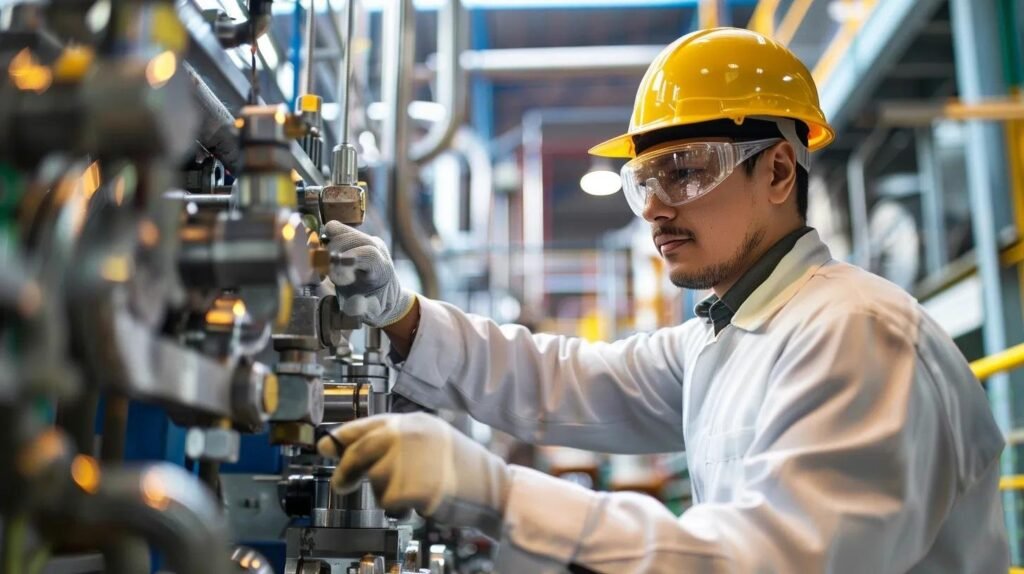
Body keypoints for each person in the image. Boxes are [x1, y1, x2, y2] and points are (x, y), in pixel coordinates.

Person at [318, 27, 1008, 573]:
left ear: (777, 170)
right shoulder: (728, 333)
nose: (654, 208)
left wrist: (502, 496)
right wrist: (399, 315)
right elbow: (568, 380)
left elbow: (767, 562)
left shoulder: (857, 335)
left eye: (685, 172)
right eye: (643, 181)